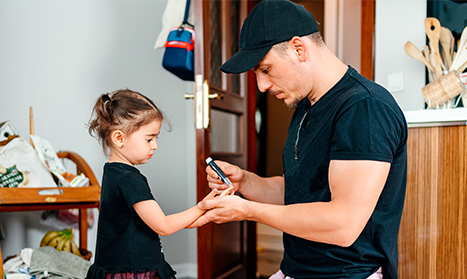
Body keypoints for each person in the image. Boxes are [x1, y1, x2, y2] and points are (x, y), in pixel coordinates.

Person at [190, 1, 408, 278]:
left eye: (265, 69)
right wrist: (245, 181)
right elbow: (300, 192)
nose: (261, 86)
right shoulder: (307, 105)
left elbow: (342, 225)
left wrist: (247, 210)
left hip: (346, 274)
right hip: (297, 269)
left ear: (298, 48)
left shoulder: (364, 108)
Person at [85, 89, 219, 279]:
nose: (155, 145)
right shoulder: (129, 179)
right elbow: (163, 225)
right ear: (119, 138)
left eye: (156, 138)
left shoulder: (111, 172)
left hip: (117, 266)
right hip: (134, 270)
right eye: (149, 139)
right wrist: (204, 206)